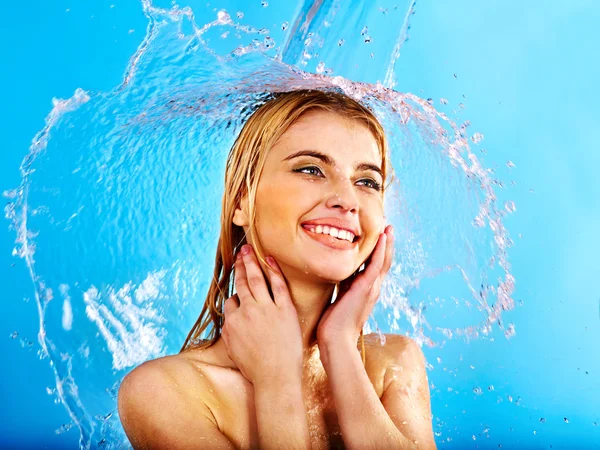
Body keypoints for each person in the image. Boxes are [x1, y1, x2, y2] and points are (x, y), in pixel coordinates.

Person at [117, 89, 436, 449]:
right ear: (242, 199)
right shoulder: (165, 393)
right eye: (311, 169)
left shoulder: (393, 365)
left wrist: (340, 346)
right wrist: (277, 383)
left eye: (367, 182)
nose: (347, 201)